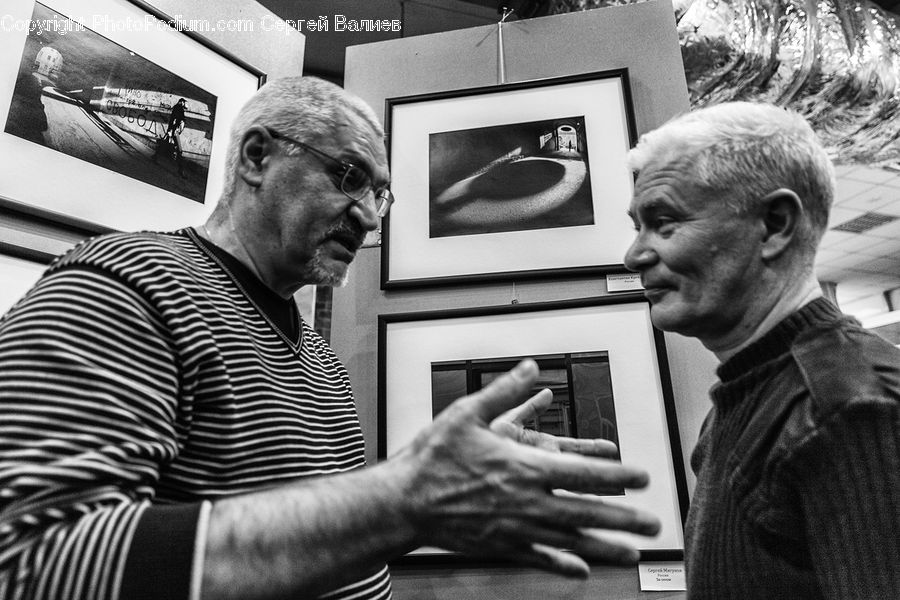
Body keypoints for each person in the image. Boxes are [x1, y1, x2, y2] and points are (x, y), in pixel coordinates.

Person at [0, 76, 661, 600]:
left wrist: (424, 492)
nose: (369, 216)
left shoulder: (315, 353)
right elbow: (25, 561)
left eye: (382, 195)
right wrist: (397, 501)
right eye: (348, 176)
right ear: (258, 157)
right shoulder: (125, 284)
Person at [623, 101, 900, 599]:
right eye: (637, 226)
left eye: (663, 222)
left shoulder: (849, 408)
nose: (635, 255)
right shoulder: (751, 396)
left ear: (775, 224)